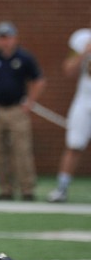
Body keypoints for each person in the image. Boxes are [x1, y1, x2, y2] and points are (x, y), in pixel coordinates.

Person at [0, 21, 46, 201]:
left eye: (8, 38)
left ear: (14, 38)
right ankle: (5, 189)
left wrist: (30, 102)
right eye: (1, 38)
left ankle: (27, 188)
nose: (5, 42)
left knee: (22, 150)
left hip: (17, 109)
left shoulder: (24, 58)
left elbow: (39, 80)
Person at [47, 19, 91, 203]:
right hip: (85, 99)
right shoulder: (83, 38)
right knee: (74, 144)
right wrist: (85, 53)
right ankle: (62, 188)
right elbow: (69, 70)